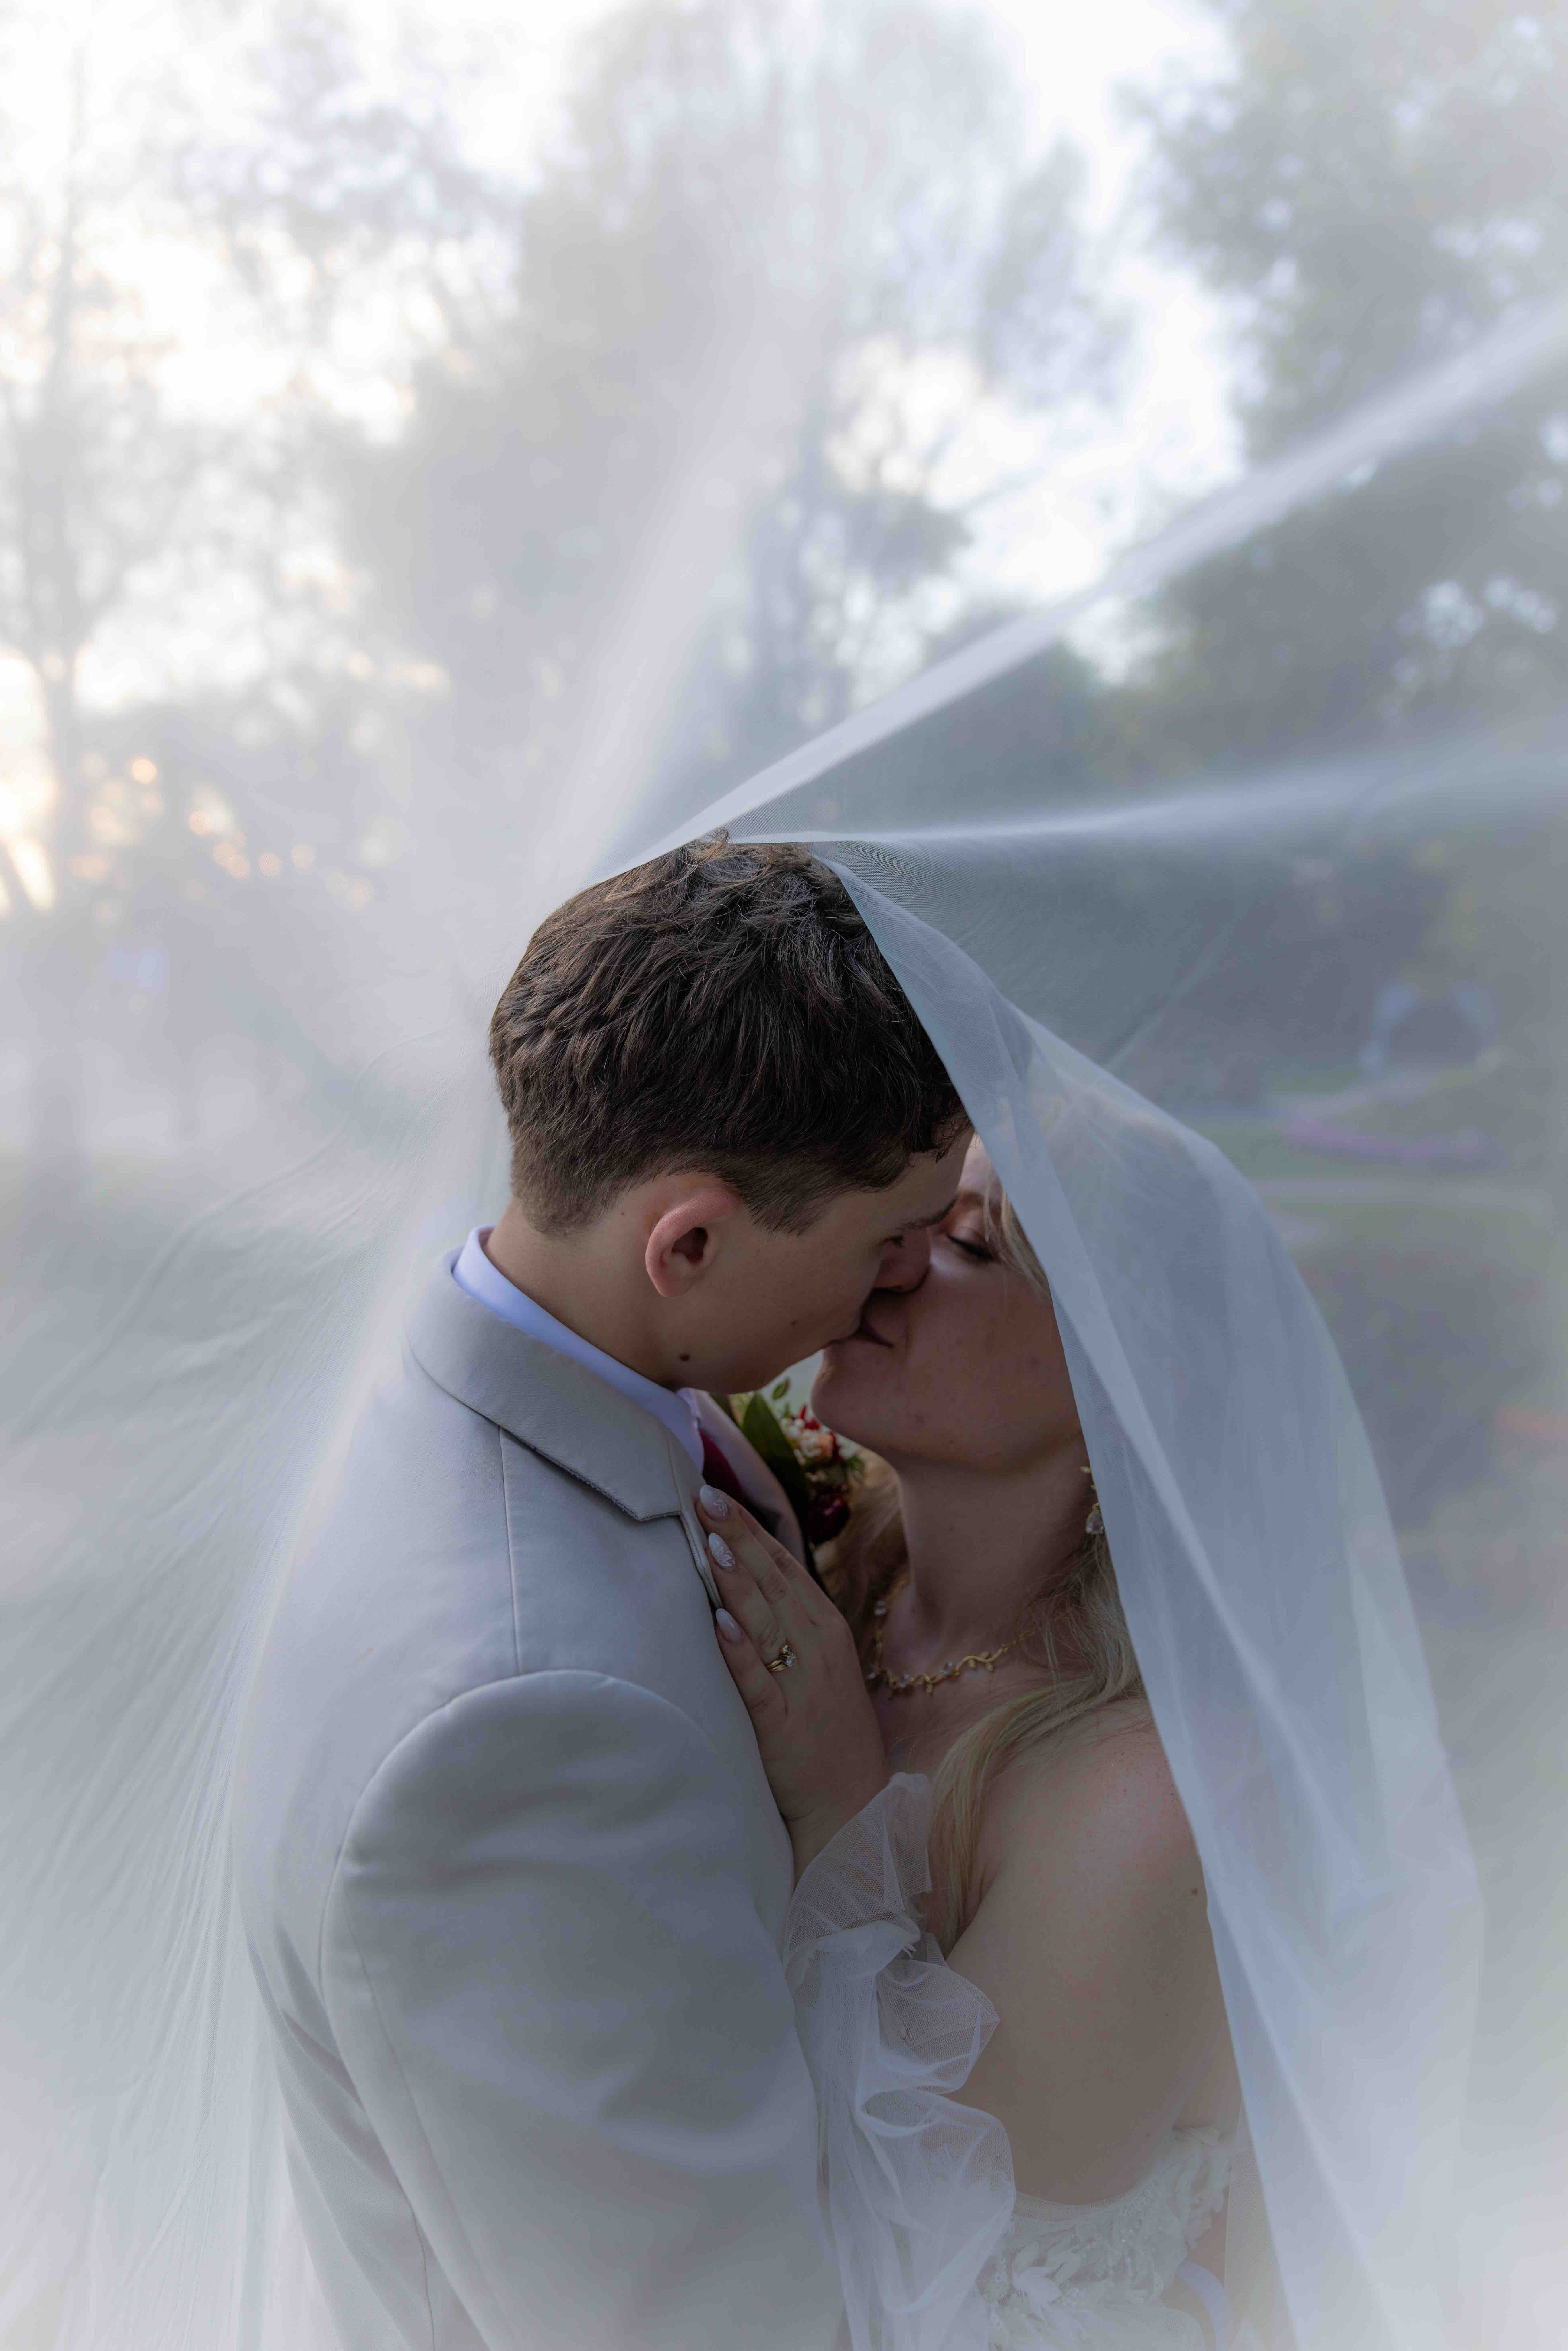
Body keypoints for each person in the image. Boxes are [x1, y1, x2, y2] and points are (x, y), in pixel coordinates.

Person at [232, 837, 970, 2351]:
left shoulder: (544, 1392)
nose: (894, 1289)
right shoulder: (522, 1727)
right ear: (686, 1242)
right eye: (884, 1244)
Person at [696, 1135, 1255, 2350]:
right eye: (912, 1214)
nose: (891, 1259)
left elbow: (966, 2281)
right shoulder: (823, 1582)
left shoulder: (1137, 1799)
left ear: (1119, 1384)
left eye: (967, 1245)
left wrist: (848, 1817)